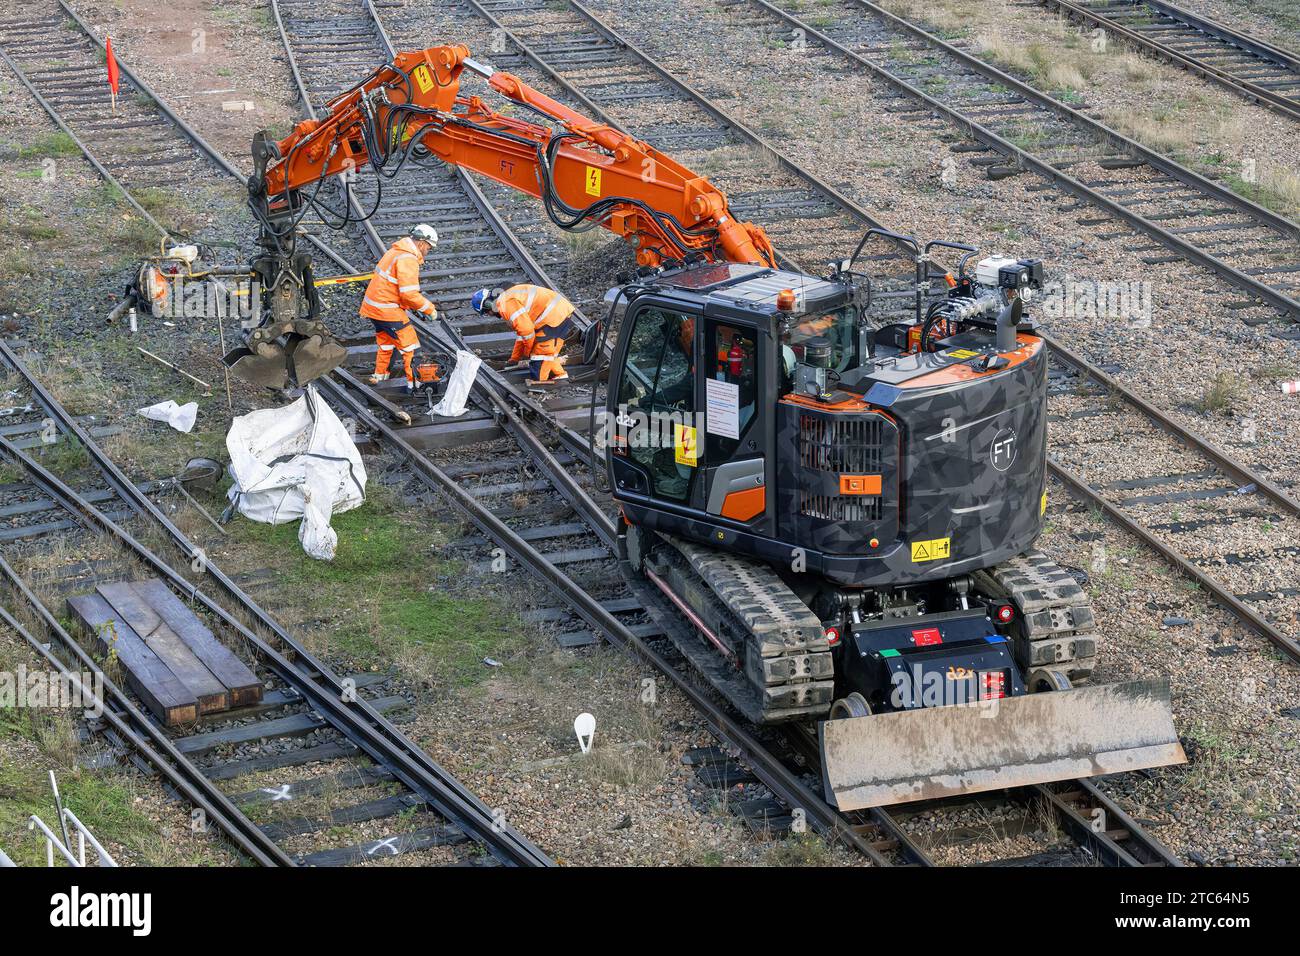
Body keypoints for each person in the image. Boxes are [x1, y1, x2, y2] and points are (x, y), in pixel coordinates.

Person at [360, 224, 439, 392]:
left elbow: (395, 287)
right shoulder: (408, 259)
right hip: (387, 310)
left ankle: (379, 377)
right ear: (421, 243)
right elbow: (409, 294)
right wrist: (429, 309)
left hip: (375, 310)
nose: (428, 251)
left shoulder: (395, 252)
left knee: (386, 344)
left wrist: (412, 305)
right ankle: (415, 385)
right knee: (411, 348)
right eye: (429, 247)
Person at [471, 283, 576, 383]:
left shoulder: (505, 304)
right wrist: (514, 359)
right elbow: (522, 334)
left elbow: (527, 331)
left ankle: (544, 382)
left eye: (486, 311)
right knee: (545, 353)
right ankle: (560, 375)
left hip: (553, 317)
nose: (489, 314)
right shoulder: (506, 298)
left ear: (488, 304)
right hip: (556, 312)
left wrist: (527, 352)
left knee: (540, 354)